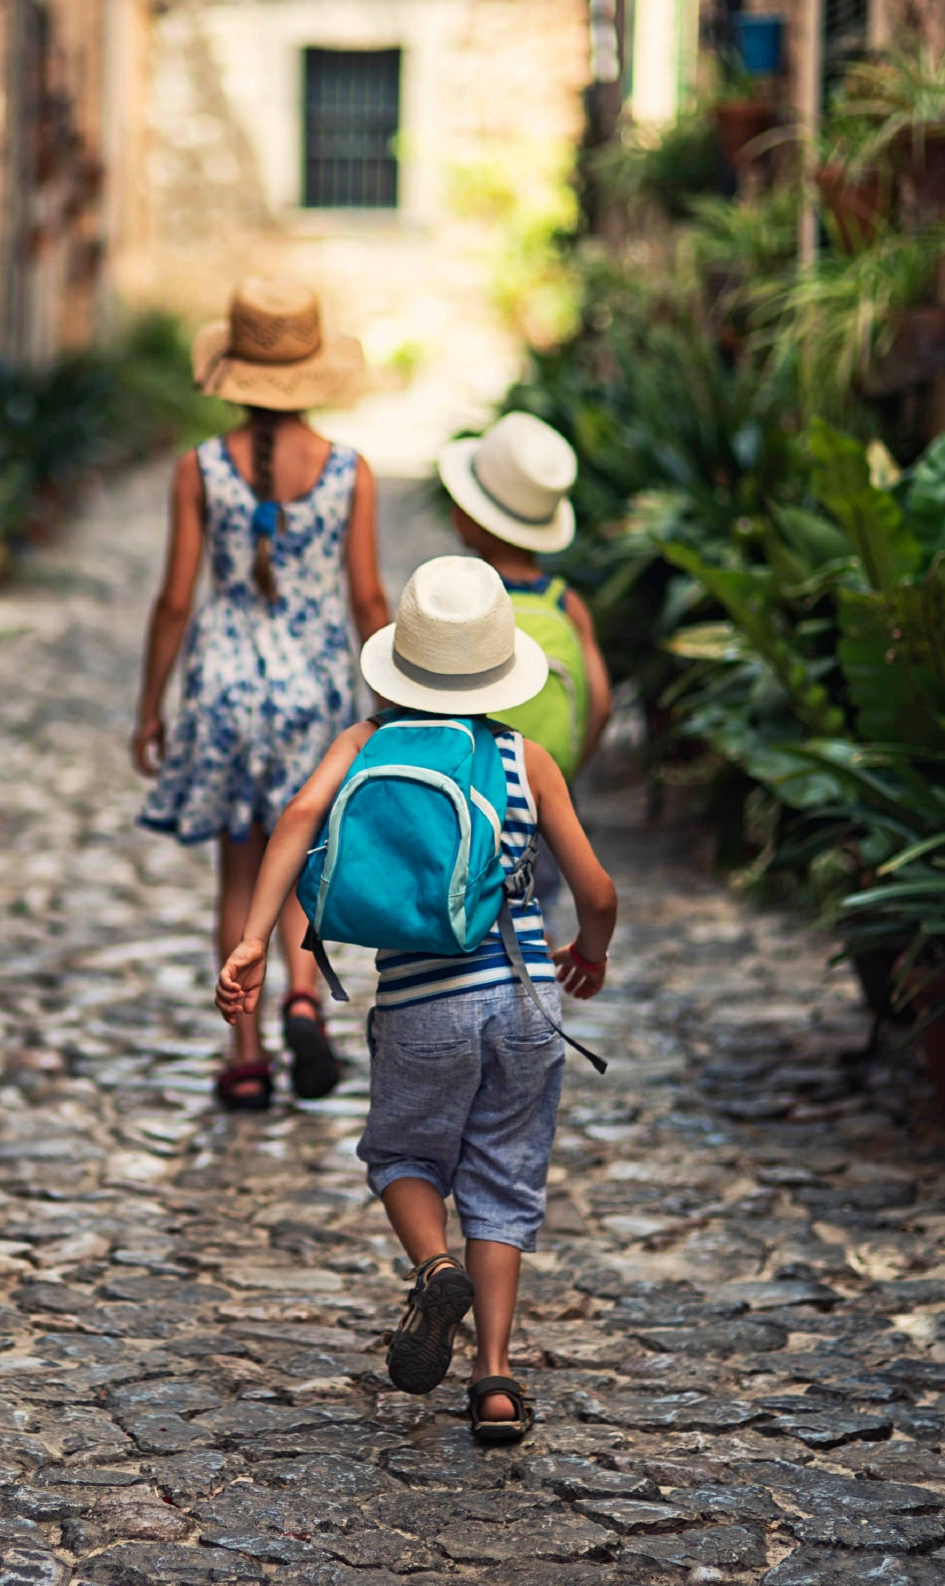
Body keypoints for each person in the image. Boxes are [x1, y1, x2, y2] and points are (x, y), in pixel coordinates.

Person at [212, 555, 618, 1446]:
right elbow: (596, 888)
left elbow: (295, 821)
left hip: (422, 1004)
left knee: (402, 1156)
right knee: (504, 1181)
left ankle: (435, 1267)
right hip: (524, 1006)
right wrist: (590, 949)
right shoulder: (527, 759)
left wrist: (252, 938)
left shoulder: (363, 743)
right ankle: (498, 1382)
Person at [134, 277, 390, 1112]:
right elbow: (368, 601)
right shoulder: (352, 473)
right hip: (315, 691)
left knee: (239, 877)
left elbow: (176, 599)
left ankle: (245, 1058)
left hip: (222, 687)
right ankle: (304, 1000)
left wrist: (151, 706)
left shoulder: (200, 468)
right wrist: (389, 713)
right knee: (304, 863)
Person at [439, 413, 612, 777]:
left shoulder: (459, 596)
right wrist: (561, 772)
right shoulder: (565, 604)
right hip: (543, 790)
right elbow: (600, 705)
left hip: (465, 791)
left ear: (474, 517)